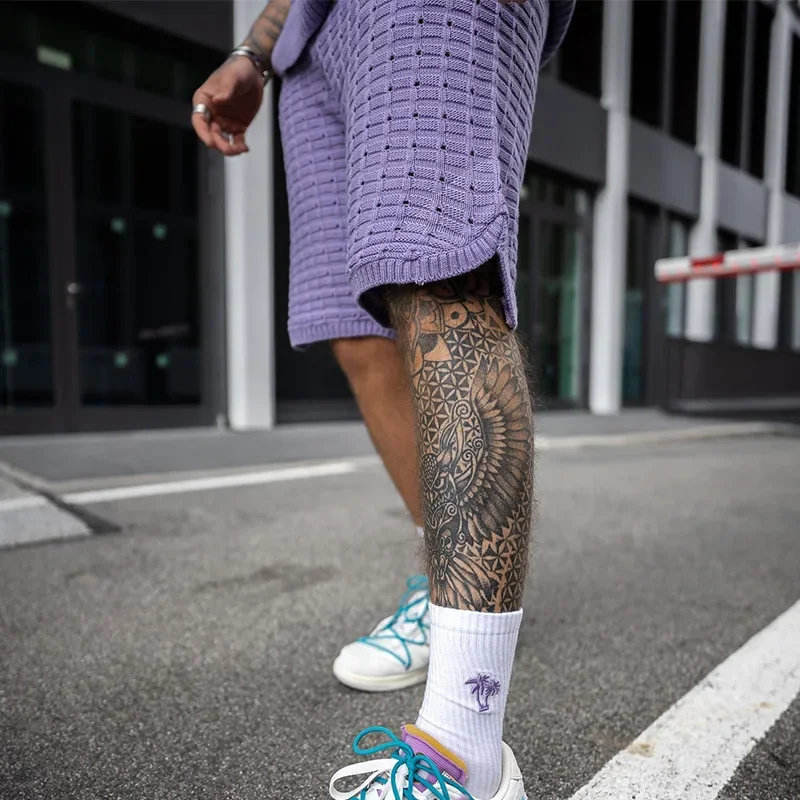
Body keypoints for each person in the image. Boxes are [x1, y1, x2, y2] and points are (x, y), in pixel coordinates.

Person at [192, 1, 575, 797]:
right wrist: (255, 54)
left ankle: (465, 752)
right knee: (357, 327)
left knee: (442, 276)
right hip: (310, 46)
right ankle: (441, 593)